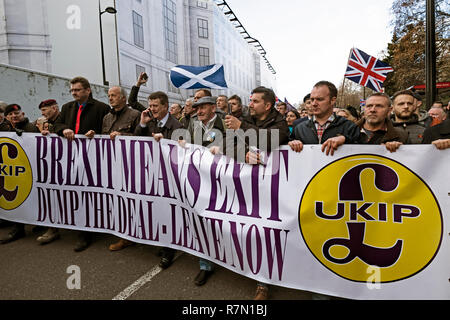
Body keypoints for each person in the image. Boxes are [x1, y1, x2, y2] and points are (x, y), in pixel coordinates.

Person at [223, 86, 289, 300]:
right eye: (250, 101)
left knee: (268, 232)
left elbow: (272, 141)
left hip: (273, 189)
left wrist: (241, 126)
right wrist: (243, 155)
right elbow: (226, 146)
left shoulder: (280, 121)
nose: (249, 104)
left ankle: (265, 282)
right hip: (246, 187)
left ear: (267, 105)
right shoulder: (240, 119)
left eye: (255, 101)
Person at [53, 76, 110, 252]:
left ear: (87, 90)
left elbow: (107, 130)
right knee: (75, 193)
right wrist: (64, 129)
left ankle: (88, 232)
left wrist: (97, 134)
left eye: (77, 90)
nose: (74, 93)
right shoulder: (67, 107)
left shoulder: (101, 108)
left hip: (93, 159)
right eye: (72, 90)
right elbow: (57, 124)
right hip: (70, 158)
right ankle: (81, 227)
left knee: (89, 193)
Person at [135, 91, 183, 269]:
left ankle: (169, 250)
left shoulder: (177, 125)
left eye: (155, 106)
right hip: (152, 173)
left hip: (169, 177)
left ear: (165, 106)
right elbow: (135, 140)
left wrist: (166, 141)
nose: (151, 109)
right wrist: (142, 123)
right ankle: (163, 242)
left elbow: (182, 150)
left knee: (168, 212)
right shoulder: (150, 122)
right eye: (150, 105)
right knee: (156, 210)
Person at [183, 96, 227, 286]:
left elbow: (240, 142)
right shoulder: (193, 123)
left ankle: (235, 257)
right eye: (196, 108)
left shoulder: (226, 121)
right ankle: (205, 265)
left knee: (226, 220)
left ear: (212, 108)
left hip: (224, 179)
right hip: (201, 179)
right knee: (201, 218)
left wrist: (222, 147)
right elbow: (187, 143)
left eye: (202, 108)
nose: (198, 111)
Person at [0, 104, 39, 244]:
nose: (14, 116)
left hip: (29, 171)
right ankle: (19, 226)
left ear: (22, 113)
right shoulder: (5, 129)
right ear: (6, 117)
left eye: (16, 113)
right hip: (13, 172)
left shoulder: (30, 128)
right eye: (10, 114)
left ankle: (25, 226)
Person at [289, 81, 360, 156]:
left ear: (332, 100)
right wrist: (292, 143)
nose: (314, 104)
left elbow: (363, 151)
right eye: (312, 99)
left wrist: (345, 139)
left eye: (319, 99)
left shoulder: (349, 126)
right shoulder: (299, 128)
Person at [34, 100, 62, 245]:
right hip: (50, 166)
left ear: (54, 108)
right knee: (50, 195)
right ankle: (52, 228)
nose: (43, 113)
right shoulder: (43, 123)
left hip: (66, 164)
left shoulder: (64, 119)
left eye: (45, 110)